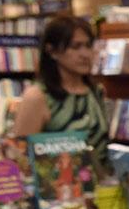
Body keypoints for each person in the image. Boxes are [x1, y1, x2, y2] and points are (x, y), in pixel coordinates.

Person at [14, 14, 111, 177]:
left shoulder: (96, 91)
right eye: (75, 47)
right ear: (52, 51)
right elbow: (22, 157)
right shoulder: (38, 96)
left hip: (104, 186)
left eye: (88, 45)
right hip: (61, 186)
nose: (85, 54)